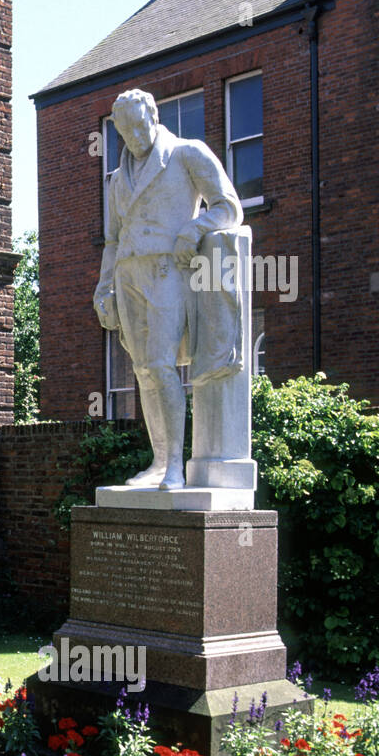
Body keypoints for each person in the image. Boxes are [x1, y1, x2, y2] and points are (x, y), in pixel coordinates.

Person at [94, 89, 243, 490]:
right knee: (143, 371)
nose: (135, 136)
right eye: (126, 131)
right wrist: (103, 287)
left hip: (167, 271)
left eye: (140, 126)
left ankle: (176, 465)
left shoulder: (187, 154)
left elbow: (229, 206)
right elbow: (112, 240)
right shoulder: (115, 180)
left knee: (161, 365)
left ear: (153, 118)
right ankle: (159, 463)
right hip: (128, 276)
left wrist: (193, 229)